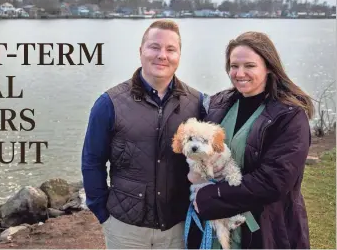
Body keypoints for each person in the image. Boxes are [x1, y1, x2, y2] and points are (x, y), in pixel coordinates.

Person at [81, 20, 207, 248]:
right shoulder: (109, 104)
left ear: (179, 55)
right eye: (154, 47)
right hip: (125, 229)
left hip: (177, 228)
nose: (162, 55)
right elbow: (92, 162)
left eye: (171, 49)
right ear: (141, 52)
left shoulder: (197, 103)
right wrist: (103, 214)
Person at [190, 31, 314, 249]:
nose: (239, 73)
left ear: (268, 67)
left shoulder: (290, 116)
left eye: (249, 66)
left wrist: (209, 197)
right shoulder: (218, 104)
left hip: (266, 232)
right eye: (234, 66)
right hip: (218, 230)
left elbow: (274, 181)